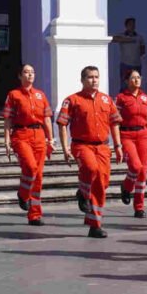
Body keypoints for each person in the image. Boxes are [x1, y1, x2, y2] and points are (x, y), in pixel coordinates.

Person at [57, 66, 123, 238]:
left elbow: (115, 123)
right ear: (82, 80)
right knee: (91, 169)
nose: (94, 80)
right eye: (90, 77)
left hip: (102, 146)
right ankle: (84, 192)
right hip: (81, 145)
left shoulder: (107, 100)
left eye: (96, 77)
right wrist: (65, 148)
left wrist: (118, 146)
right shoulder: (72, 100)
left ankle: (95, 224)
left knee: (102, 183)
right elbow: (62, 124)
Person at [2, 64, 54, 226]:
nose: (30, 75)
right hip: (21, 135)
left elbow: (46, 118)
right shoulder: (14, 95)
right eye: (26, 72)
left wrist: (50, 138)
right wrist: (6, 139)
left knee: (38, 176)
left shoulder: (40, 95)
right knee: (30, 168)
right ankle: (23, 194)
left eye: (32, 72)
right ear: (20, 76)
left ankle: (35, 215)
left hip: (38, 135)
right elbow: (8, 119)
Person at [116, 69, 147, 218]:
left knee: (143, 172)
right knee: (135, 166)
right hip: (127, 135)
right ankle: (126, 187)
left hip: (143, 135)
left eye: (138, 77)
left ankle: (139, 207)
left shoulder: (145, 97)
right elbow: (115, 120)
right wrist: (117, 141)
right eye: (133, 78)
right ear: (127, 81)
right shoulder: (121, 98)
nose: (136, 80)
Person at [111, 17, 146, 84]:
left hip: (137, 64)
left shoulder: (139, 37)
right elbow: (113, 39)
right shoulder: (121, 35)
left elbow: (143, 50)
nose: (132, 26)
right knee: (124, 84)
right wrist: (128, 40)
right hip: (125, 64)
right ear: (126, 26)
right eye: (130, 24)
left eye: (133, 24)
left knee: (136, 84)